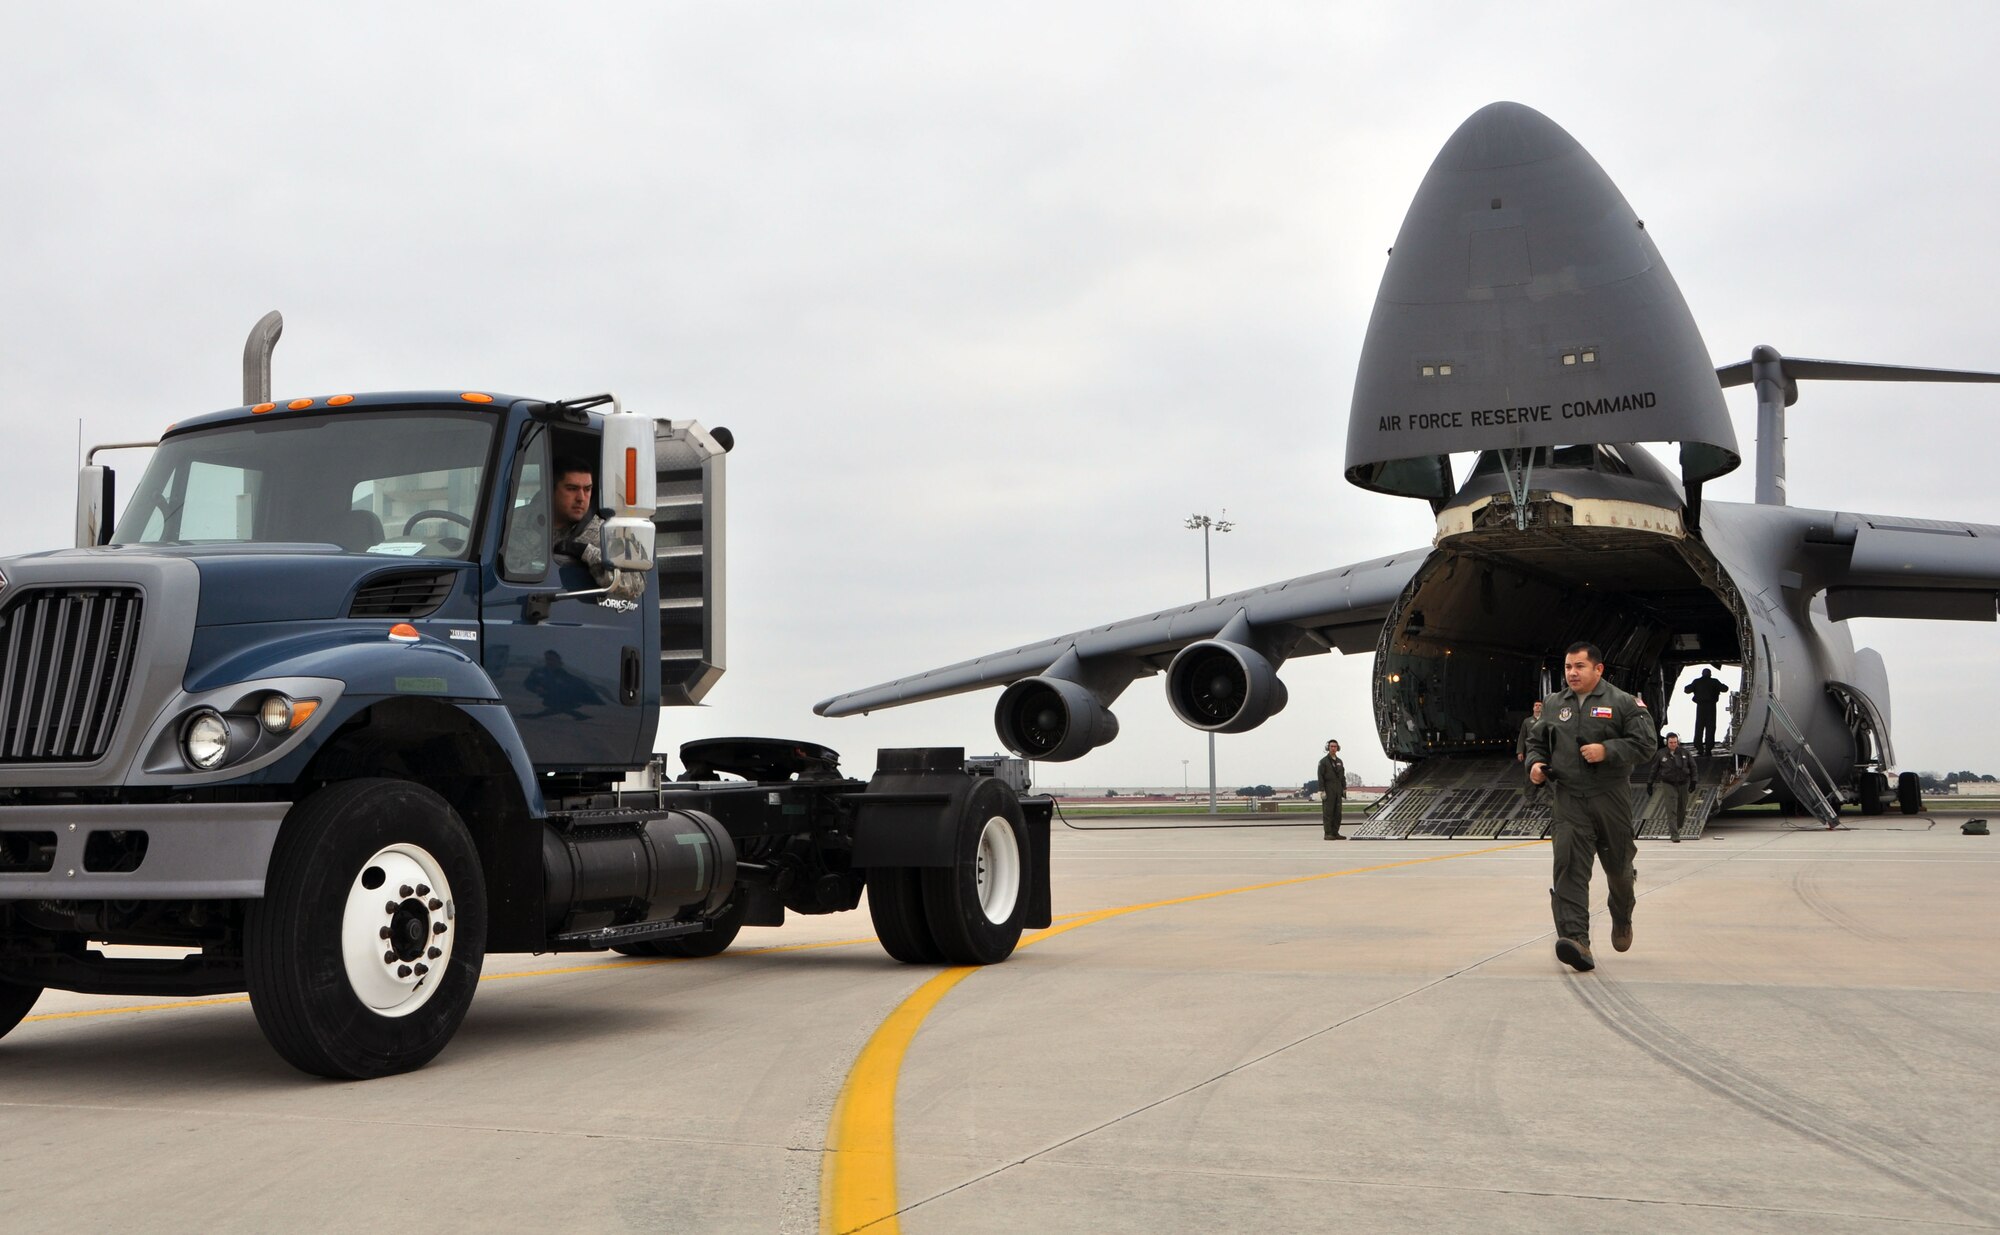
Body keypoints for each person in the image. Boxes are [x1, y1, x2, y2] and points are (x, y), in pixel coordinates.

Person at [1525, 642, 1658, 971]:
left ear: (1598, 669)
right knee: (1569, 867)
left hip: (1610, 797)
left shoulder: (1624, 703)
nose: (1572, 672)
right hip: (1569, 798)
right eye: (1568, 667)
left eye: (1579, 666)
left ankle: (1622, 916)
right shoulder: (1555, 704)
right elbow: (1536, 741)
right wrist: (1536, 764)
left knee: (1620, 871)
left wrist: (1608, 750)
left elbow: (1646, 744)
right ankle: (1576, 941)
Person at [551, 466, 646, 602]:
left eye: (587, 489)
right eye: (571, 489)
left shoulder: (606, 532)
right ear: (551, 490)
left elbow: (635, 586)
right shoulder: (520, 521)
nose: (581, 498)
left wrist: (586, 552)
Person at [1645, 732, 1697, 842]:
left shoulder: (1685, 753)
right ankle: (1674, 834)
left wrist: (1694, 781)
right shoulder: (1661, 754)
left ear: (1678, 742)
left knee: (1682, 807)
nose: (1673, 744)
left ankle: (1678, 827)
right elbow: (1654, 769)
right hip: (1668, 783)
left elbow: (1693, 767)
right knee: (1671, 808)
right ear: (1666, 742)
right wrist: (1650, 783)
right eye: (1671, 742)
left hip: (1683, 783)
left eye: (1675, 742)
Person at [1684, 668, 1725, 753]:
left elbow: (1687, 690)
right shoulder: (1714, 681)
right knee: (1711, 727)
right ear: (1710, 674)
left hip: (1700, 707)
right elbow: (1725, 688)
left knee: (1699, 727)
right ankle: (1708, 748)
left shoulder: (1697, 681)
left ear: (1702, 674)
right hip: (1711, 707)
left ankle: (1699, 747)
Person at [1317, 740, 1346, 839]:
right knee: (1328, 812)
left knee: (1338, 812)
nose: (1333, 748)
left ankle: (1335, 832)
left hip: (1338, 788)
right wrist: (1322, 790)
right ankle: (1328, 833)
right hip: (1328, 788)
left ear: (1337, 748)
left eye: (1335, 746)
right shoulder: (1323, 762)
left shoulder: (1339, 761)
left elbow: (1343, 776)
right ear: (1328, 748)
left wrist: (1344, 788)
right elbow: (1320, 776)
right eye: (1331, 746)